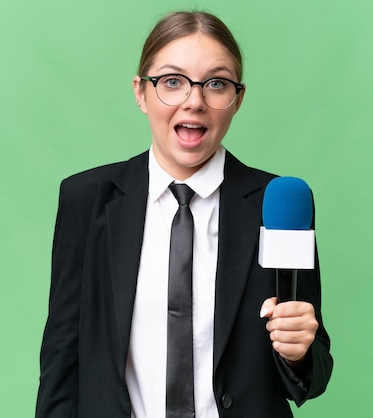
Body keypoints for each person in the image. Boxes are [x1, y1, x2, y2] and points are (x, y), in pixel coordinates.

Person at [36, 10, 333, 418]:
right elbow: (61, 359)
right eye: (172, 82)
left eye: (216, 84)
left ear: (237, 99)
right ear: (141, 92)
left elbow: (312, 375)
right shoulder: (86, 200)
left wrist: (299, 352)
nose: (194, 101)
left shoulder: (276, 203)